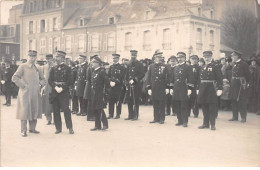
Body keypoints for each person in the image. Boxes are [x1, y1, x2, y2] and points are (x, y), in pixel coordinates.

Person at [12, 50, 46, 137]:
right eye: (30, 56)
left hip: (35, 93)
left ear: (36, 57)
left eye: (34, 56)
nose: (32, 58)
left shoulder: (37, 67)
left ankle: (32, 128)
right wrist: (23, 85)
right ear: (28, 56)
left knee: (34, 110)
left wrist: (41, 84)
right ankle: (23, 130)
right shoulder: (23, 66)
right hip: (25, 93)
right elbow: (15, 77)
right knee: (24, 111)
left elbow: (43, 79)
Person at [48, 51, 74, 134]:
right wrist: (55, 87)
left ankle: (70, 127)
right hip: (55, 91)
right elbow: (50, 80)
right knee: (55, 110)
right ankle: (58, 128)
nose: (56, 58)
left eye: (58, 57)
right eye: (56, 57)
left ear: (62, 58)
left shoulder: (67, 68)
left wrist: (62, 88)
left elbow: (70, 81)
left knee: (66, 110)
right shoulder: (53, 68)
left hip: (64, 92)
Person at [197, 51, 223, 130]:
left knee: (212, 107)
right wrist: (198, 88)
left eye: (208, 57)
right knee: (204, 106)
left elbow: (219, 78)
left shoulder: (215, 66)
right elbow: (199, 79)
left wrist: (219, 88)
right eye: (205, 57)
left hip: (211, 88)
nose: (206, 58)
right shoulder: (202, 66)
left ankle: (212, 124)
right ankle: (205, 123)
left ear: (211, 57)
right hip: (203, 88)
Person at [170, 52, 194, 127]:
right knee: (177, 104)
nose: (179, 59)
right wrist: (171, 88)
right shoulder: (176, 67)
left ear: (184, 58)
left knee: (184, 105)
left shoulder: (188, 67)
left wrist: (190, 88)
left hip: (184, 88)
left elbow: (191, 78)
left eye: (181, 57)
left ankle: (185, 121)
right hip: (176, 88)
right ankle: (179, 120)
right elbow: (172, 79)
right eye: (178, 58)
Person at [147, 51, 169, 124]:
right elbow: (148, 77)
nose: (159, 59)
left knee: (162, 103)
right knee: (155, 103)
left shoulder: (165, 66)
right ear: (154, 58)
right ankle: (156, 118)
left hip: (162, 87)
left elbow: (167, 78)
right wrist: (149, 88)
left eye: (160, 57)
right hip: (154, 87)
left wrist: (167, 87)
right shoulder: (151, 66)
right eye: (157, 57)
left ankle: (162, 119)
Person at [228, 51, 250, 123]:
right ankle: (235, 117)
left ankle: (243, 117)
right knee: (233, 100)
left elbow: (248, 75)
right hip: (234, 84)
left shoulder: (244, 64)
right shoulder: (234, 64)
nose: (231, 57)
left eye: (233, 56)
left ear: (237, 56)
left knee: (241, 101)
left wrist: (247, 83)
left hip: (240, 85)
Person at [90, 56, 109, 131]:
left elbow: (106, 83)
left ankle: (105, 124)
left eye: (94, 62)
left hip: (100, 93)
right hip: (94, 93)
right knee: (95, 108)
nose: (92, 64)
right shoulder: (94, 71)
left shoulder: (102, 72)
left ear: (98, 63)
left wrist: (105, 93)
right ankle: (97, 125)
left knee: (100, 109)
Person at [125, 50, 145, 121]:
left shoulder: (140, 64)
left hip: (136, 85)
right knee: (129, 100)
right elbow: (126, 74)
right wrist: (127, 82)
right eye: (132, 56)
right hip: (129, 84)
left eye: (134, 56)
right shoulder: (128, 64)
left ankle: (135, 115)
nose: (133, 57)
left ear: (136, 56)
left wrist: (135, 79)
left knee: (136, 100)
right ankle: (130, 115)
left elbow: (142, 74)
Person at [107, 53, 125, 119]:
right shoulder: (111, 67)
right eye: (113, 58)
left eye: (115, 58)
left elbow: (122, 77)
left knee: (118, 100)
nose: (114, 59)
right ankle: (110, 114)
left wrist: (116, 82)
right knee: (111, 100)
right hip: (111, 86)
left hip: (118, 86)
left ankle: (118, 114)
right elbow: (108, 76)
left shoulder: (121, 67)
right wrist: (110, 82)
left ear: (118, 59)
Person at [41, 54, 55, 125]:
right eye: (47, 59)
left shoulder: (55, 66)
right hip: (47, 87)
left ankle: (55, 120)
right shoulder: (44, 67)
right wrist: (43, 85)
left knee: (55, 104)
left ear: (52, 59)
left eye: (49, 59)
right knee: (47, 104)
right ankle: (48, 119)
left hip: (54, 87)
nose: (48, 60)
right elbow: (43, 77)